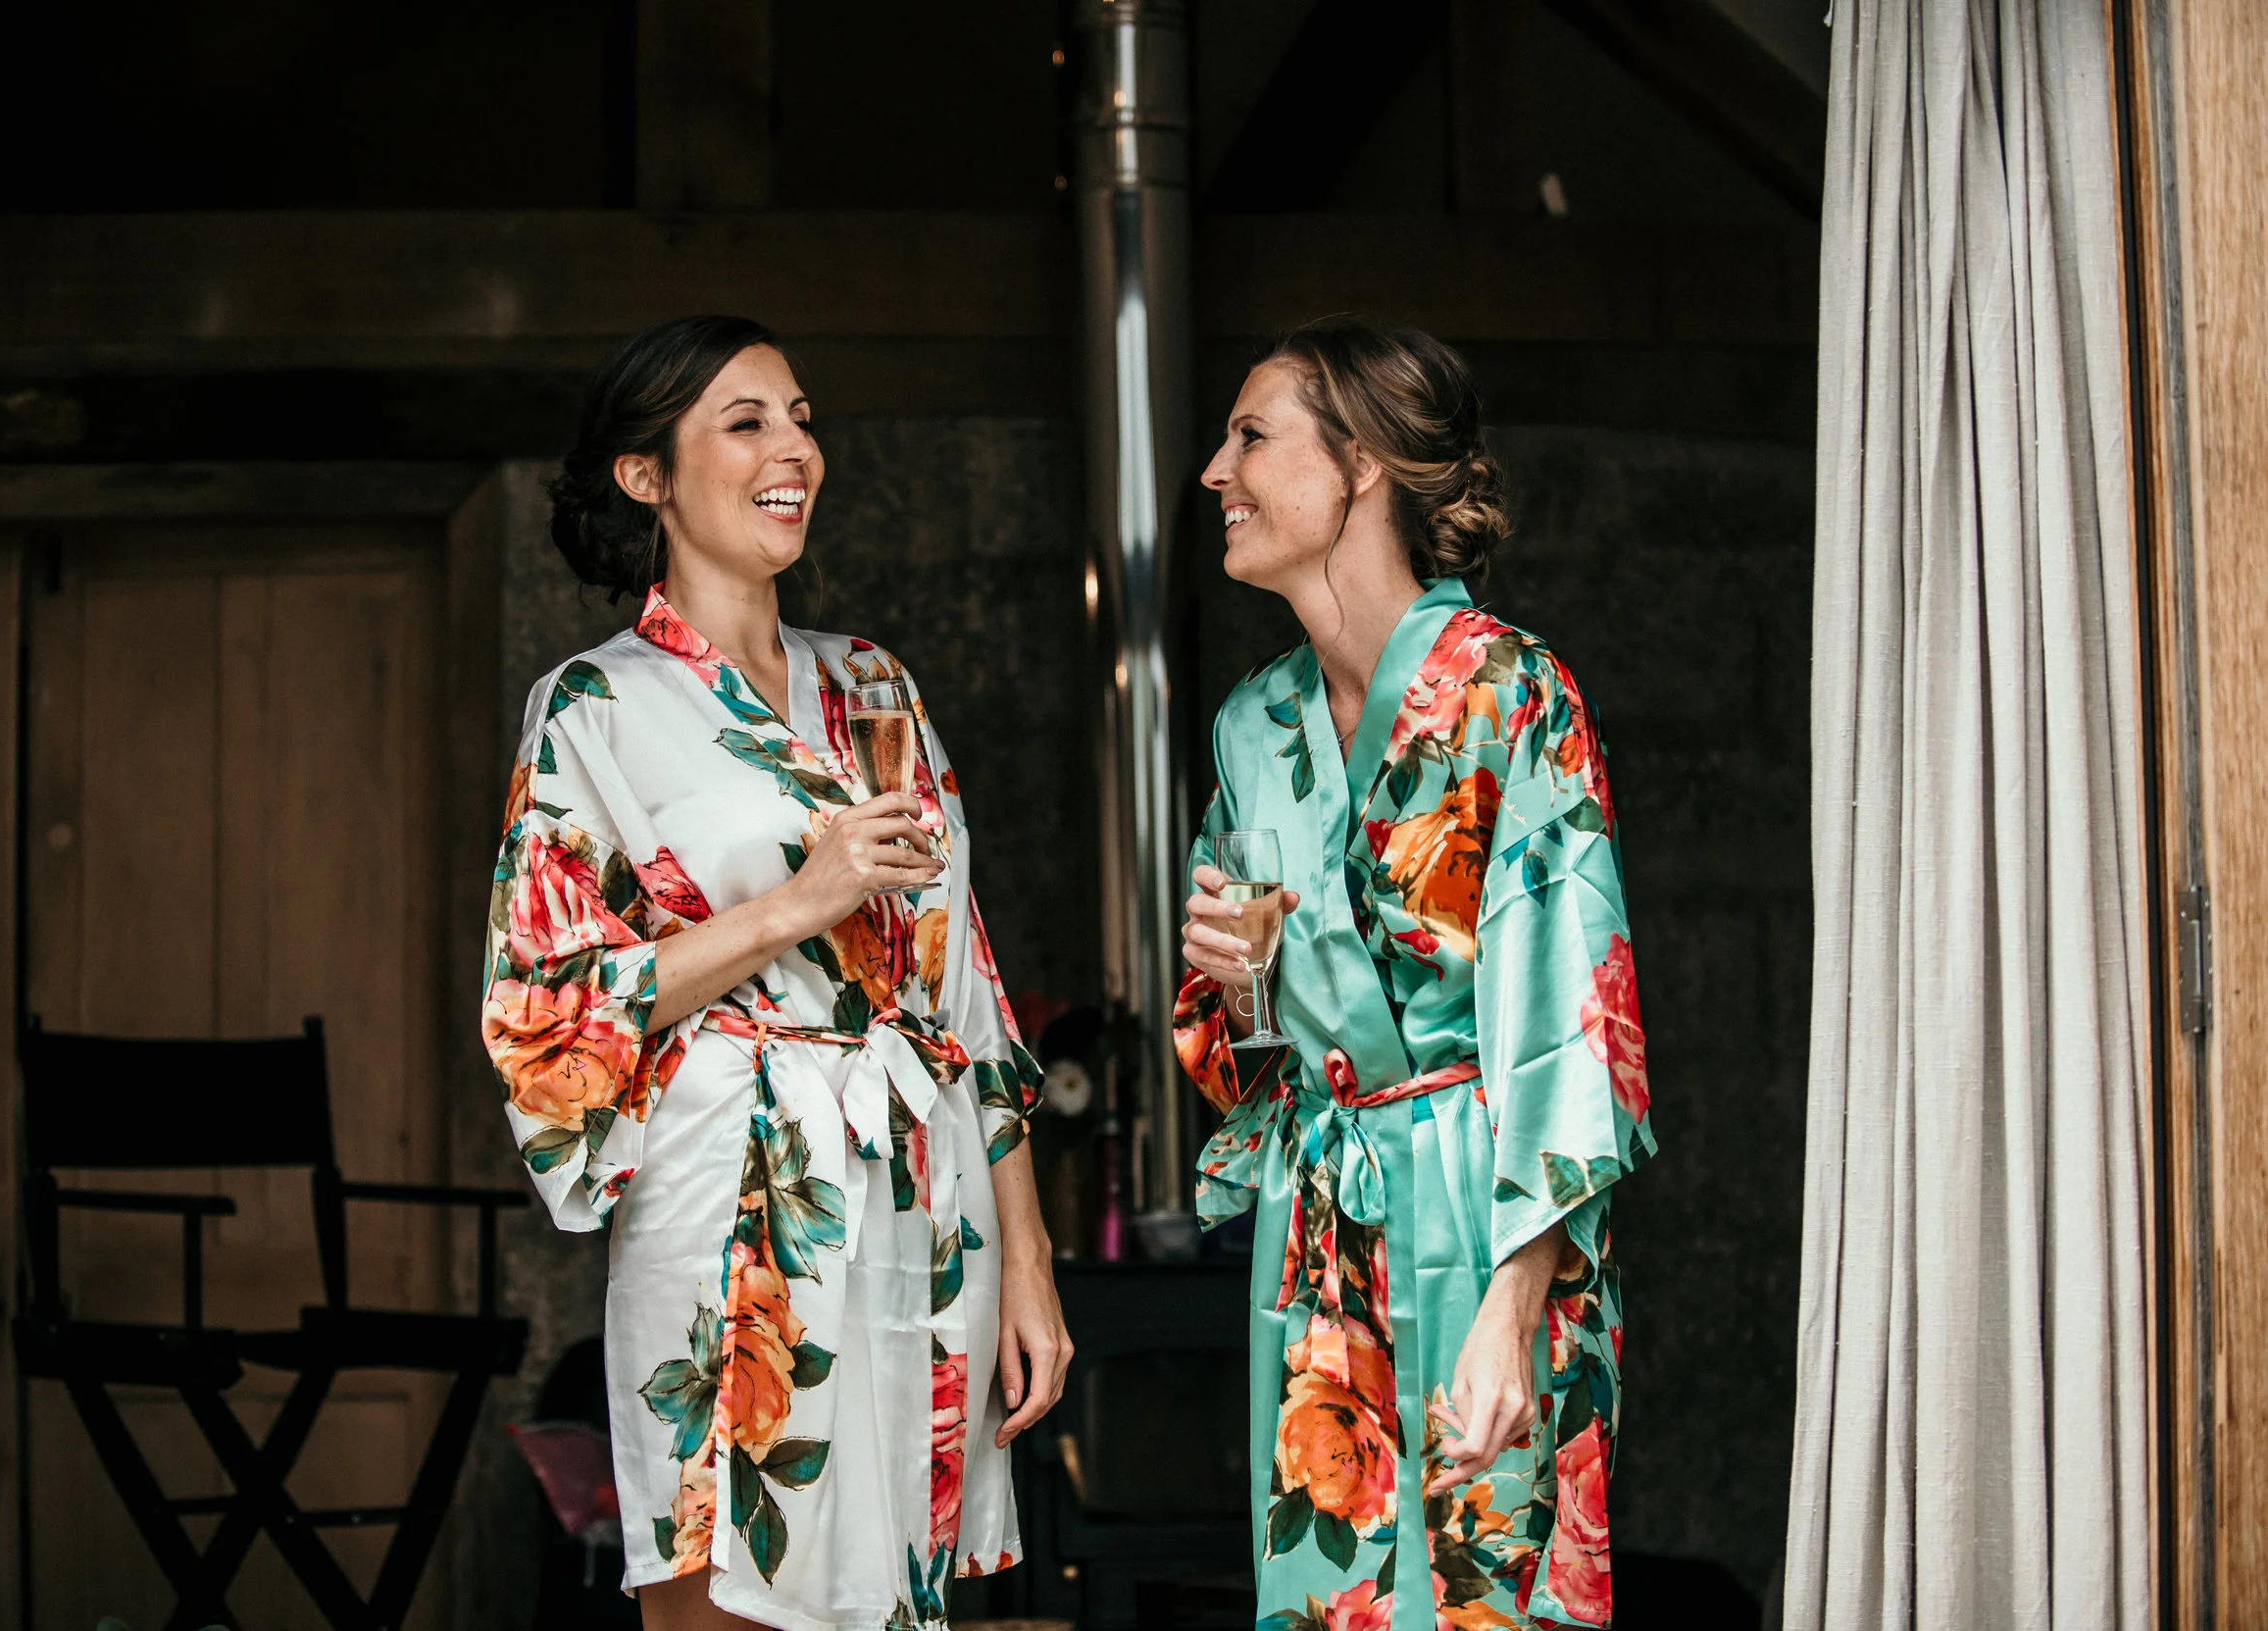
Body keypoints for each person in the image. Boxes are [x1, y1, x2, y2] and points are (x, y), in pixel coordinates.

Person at [482, 315, 1070, 1631]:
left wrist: (1029, 1255)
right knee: (725, 1592)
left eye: (801, 416)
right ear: (647, 475)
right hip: (727, 1199)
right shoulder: (594, 709)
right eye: (745, 420)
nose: (793, 446)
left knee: (898, 1598)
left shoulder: (874, 684)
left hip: (922, 1195)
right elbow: (548, 1015)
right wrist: (795, 904)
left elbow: (967, 991)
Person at [1176, 317, 1654, 1630]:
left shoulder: (1510, 693)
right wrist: (1231, 986)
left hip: (1494, 1220)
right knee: (1333, 1603)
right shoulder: (1252, 725)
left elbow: (1576, 1010)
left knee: (1492, 1594)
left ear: (1365, 465)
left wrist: (1519, 1300)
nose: (1216, 469)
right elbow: (1260, 1055)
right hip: (1326, 1228)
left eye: (1252, 435)